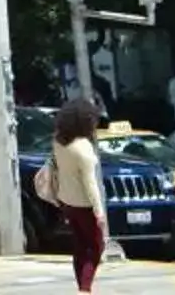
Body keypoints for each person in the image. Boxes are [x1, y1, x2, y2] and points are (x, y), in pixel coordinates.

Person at [41, 95, 108, 292]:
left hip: (66, 201)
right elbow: (90, 184)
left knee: (79, 245)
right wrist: (99, 212)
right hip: (84, 204)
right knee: (96, 248)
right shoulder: (84, 149)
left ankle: (81, 285)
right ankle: (85, 288)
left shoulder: (59, 142)